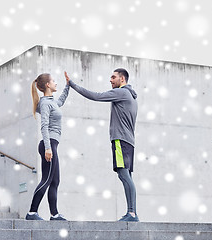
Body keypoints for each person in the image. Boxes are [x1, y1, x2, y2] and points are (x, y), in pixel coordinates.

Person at [65, 68, 139, 222]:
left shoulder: (122, 92)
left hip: (120, 140)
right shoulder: (131, 96)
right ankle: (132, 213)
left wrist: (72, 84)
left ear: (122, 79)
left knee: (123, 174)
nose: (110, 80)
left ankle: (132, 213)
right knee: (127, 176)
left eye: (113, 77)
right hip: (128, 141)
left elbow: (96, 96)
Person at [25, 72, 70, 221]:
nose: (56, 83)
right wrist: (48, 148)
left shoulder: (51, 101)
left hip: (52, 144)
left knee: (55, 181)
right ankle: (32, 212)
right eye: (54, 81)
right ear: (47, 85)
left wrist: (68, 85)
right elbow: (44, 126)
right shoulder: (45, 104)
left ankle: (54, 214)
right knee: (46, 179)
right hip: (48, 144)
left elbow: (61, 101)